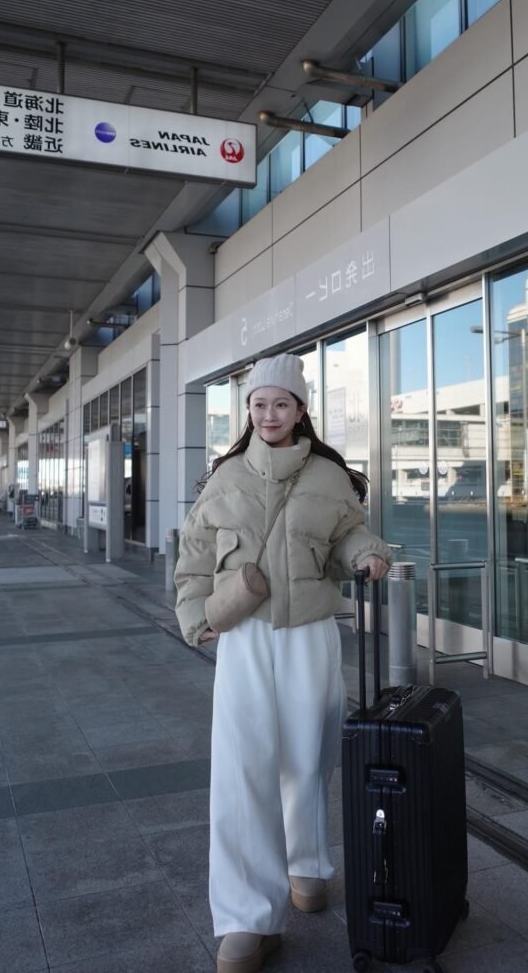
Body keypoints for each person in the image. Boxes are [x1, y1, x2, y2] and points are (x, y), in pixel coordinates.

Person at [174, 353, 391, 973]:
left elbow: (348, 532)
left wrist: (368, 553)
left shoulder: (330, 476)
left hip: (310, 635)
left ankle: (307, 865)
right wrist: (198, 617)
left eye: (282, 403)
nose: (269, 414)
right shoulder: (223, 479)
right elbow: (194, 557)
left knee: (309, 756)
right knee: (243, 771)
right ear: (248, 410)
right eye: (259, 403)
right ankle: (248, 918)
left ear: (301, 411)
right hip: (245, 638)